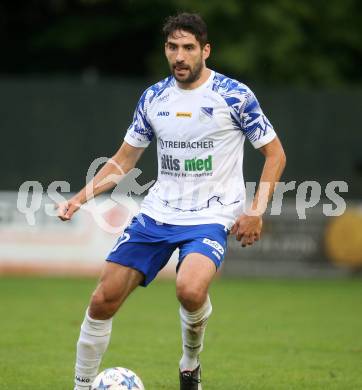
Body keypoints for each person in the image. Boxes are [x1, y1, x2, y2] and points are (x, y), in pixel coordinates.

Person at [58, 12, 286, 390]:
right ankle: (81, 388)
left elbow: (275, 154)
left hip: (212, 213)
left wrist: (256, 210)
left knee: (190, 289)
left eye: (188, 48)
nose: (179, 56)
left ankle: (190, 363)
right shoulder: (154, 97)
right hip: (158, 213)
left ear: (205, 50)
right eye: (172, 47)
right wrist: (81, 197)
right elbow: (124, 159)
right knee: (102, 300)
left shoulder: (234, 95)